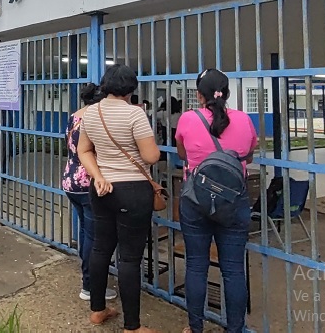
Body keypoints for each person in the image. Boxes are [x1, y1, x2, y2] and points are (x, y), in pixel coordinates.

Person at [77, 64, 161, 333]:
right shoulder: (135, 114)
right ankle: (132, 326)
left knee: (101, 249)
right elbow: (151, 157)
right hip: (133, 191)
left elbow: (84, 151)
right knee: (129, 259)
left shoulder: (90, 112)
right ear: (131, 88)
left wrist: (98, 176)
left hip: (101, 190)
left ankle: (98, 310)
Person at [176, 69, 257, 333]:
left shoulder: (188, 119)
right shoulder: (244, 120)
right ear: (228, 93)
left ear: (199, 95)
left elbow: (183, 154)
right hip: (234, 201)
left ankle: (195, 327)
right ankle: (235, 328)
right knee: (233, 270)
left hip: (195, 201)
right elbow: (249, 157)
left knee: (196, 266)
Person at [61, 83, 117, 302]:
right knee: (95, 238)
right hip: (89, 183)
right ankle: (91, 286)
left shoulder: (74, 117)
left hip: (70, 181)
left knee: (86, 232)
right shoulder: (96, 118)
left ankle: (88, 280)